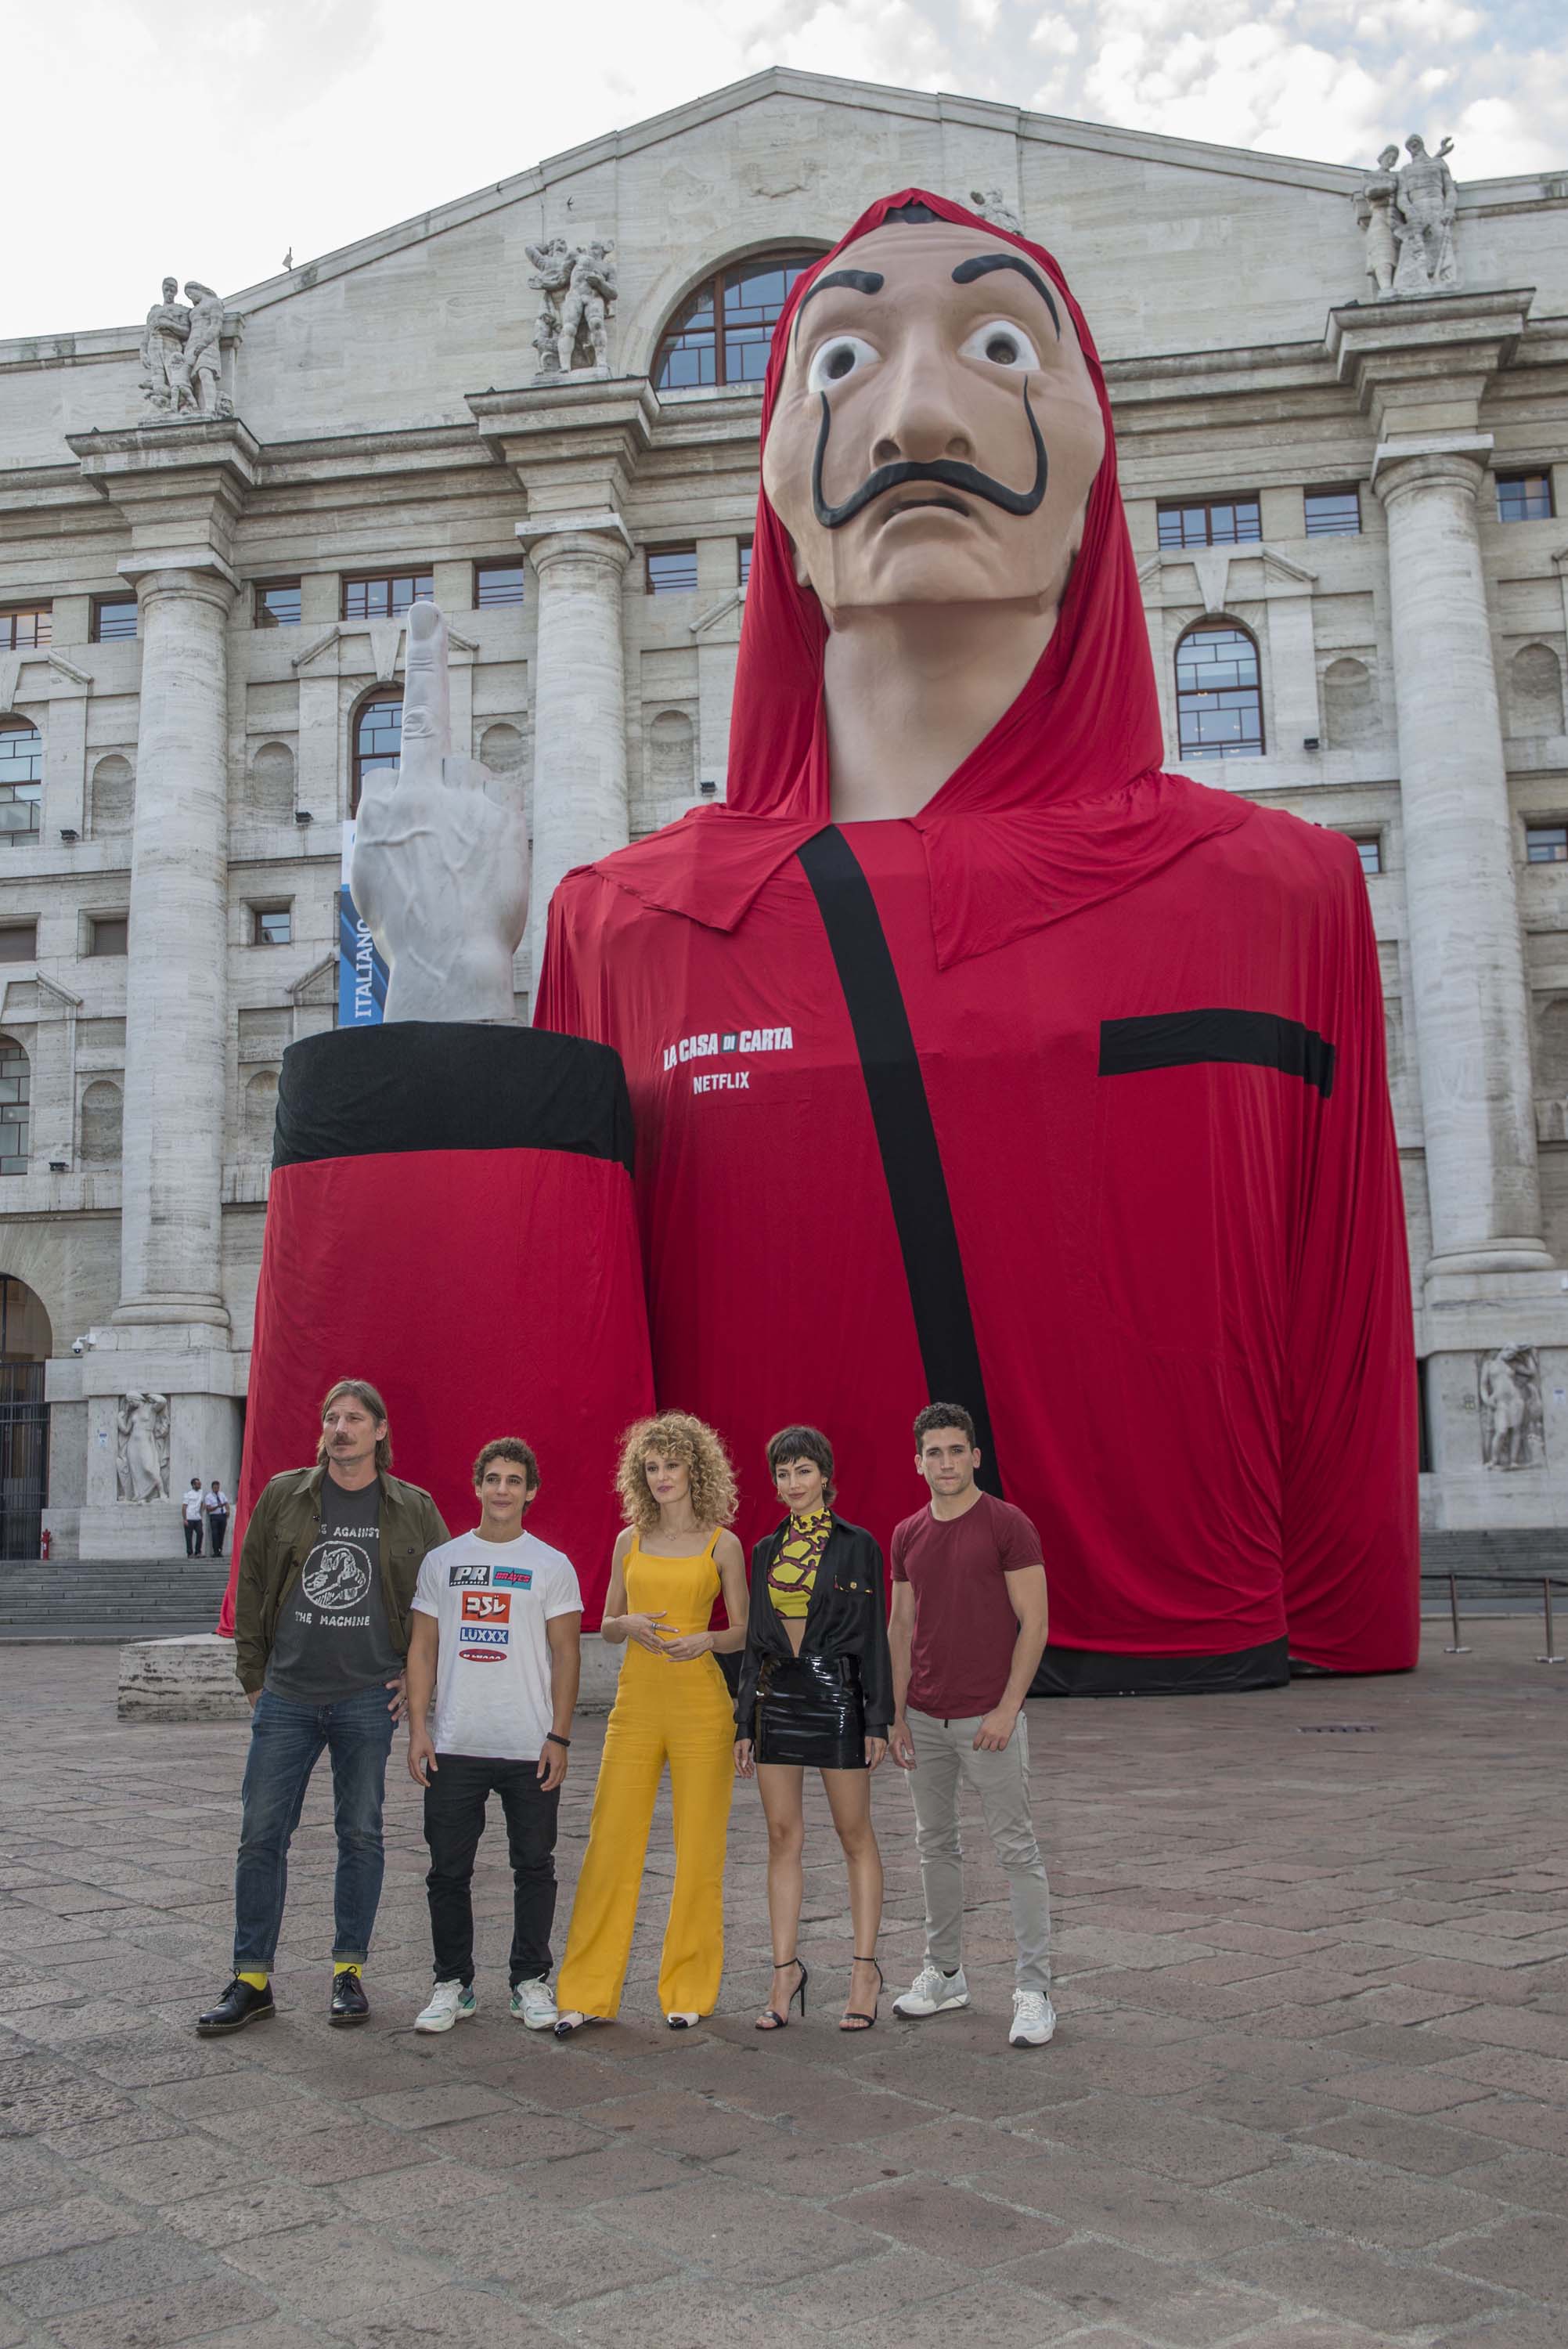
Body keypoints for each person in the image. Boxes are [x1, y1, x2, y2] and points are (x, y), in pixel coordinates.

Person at [535, 189, 1417, 1692]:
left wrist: (1340, 1634)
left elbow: (1341, 1316)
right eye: (838, 365)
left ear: (1097, 470)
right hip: (773, 1717)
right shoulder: (622, 919)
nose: (917, 419)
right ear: (776, 507)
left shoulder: (1284, 888)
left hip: (1205, 1703)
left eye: (1001, 345)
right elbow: (567, 1341)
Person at [196, 1379, 448, 2036]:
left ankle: (348, 1973)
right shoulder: (284, 1495)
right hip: (286, 1696)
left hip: (367, 1698)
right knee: (260, 1837)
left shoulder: (412, 1509)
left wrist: (417, 1681)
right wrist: (255, 1677)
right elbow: (250, 1586)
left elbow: (441, 1600)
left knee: (360, 1835)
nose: (341, 1428)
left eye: (355, 1419)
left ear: (380, 1431)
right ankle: (252, 1979)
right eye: (332, 1418)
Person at [553, 1413, 748, 2034]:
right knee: (610, 1844)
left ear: (696, 1468)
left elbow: (743, 1629)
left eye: (672, 1464)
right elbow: (606, 1621)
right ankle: (585, 1993)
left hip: (701, 1708)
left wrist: (709, 1640)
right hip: (634, 1706)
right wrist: (628, 1626)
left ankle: (688, 1989)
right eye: (652, 1467)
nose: (662, 1476)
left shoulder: (723, 1543)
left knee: (699, 1851)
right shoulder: (627, 1541)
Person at [888, 1402, 1053, 2048]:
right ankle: (946, 1974)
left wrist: (1007, 1708)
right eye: (934, 1453)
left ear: (975, 1457)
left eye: (956, 1450)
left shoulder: (1008, 1524)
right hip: (924, 1717)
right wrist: (896, 1714)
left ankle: (1034, 1990)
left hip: (989, 1717)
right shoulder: (905, 1534)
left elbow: (1034, 1623)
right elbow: (901, 1628)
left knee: (1017, 1851)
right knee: (935, 1846)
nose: (946, 1462)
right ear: (919, 1462)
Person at [406, 1438, 582, 2033]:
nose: (503, 1489)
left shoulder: (552, 1565)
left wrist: (559, 1736)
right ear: (477, 1485)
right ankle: (452, 1984)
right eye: (493, 1479)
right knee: (447, 1872)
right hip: (454, 1744)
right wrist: (419, 1729)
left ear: (530, 1490)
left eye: (514, 1480)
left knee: (534, 1866)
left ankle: (529, 1980)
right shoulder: (442, 1562)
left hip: (528, 1745)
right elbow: (422, 1648)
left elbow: (565, 1655)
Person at [734, 1425, 892, 2031]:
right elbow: (752, 1641)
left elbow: (874, 1634)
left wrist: (877, 1715)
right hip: (777, 1694)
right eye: (782, 1473)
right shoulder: (762, 1552)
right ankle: (783, 1971)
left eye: (802, 1471)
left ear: (824, 1475)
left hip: (838, 1695)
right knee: (781, 1835)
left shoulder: (860, 1546)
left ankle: (864, 1970)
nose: (792, 1484)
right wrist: (744, 1718)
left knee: (854, 1833)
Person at [203, 1479, 231, 1557]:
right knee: (215, 1534)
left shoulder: (222, 1494)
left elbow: (226, 1503)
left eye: (218, 1487)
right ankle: (215, 1551)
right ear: (212, 1488)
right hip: (214, 1516)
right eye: (215, 1488)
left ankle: (219, 1550)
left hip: (223, 1516)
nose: (216, 1489)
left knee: (221, 1534)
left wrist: (228, 1510)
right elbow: (208, 1509)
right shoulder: (209, 1496)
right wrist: (217, 1506)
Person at [182, 1478, 205, 1558]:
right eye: (198, 1484)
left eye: (200, 1483)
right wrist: (185, 1519)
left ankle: (198, 1552)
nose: (200, 1485)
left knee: (200, 1533)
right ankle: (190, 1553)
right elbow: (184, 1507)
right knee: (189, 1536)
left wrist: (201, 1512)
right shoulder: (188, 1494)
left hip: (197, 1518)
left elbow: (202, 1503)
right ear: (193, 1485)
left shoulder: (201, 1492)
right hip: (189, 1517)